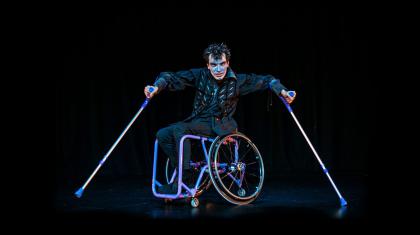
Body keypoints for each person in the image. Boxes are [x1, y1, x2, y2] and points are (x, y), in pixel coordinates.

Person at [144, 43, 295, 193]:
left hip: (220, 124)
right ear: (208, 65)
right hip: (198, 121)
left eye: (222, 64)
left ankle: (184, 179)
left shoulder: (237, 80)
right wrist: (156, 87)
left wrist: (283, 92)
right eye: (214, 64)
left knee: (180, 129)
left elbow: (267, 80)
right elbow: (171, 77)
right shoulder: (200, 75)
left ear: (228, 63)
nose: (218, 69)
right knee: (162, 134)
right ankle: (184, 167)